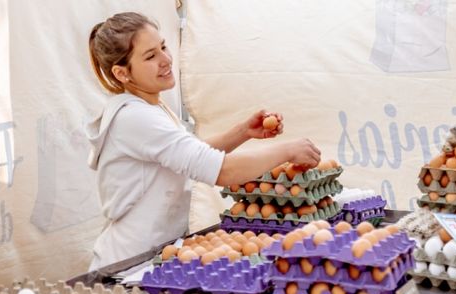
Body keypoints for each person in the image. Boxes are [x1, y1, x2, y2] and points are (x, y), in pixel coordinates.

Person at [85, 12, 321, 271]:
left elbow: (190, 155)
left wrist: (243, 131)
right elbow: (221, 171)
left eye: (163, 47)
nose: (165, 60)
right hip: (128, 264)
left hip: (152, 255)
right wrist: (287, 150)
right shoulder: (135, 117)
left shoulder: (151, 108)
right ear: (122, 73)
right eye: (150, 56)